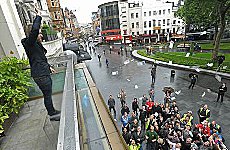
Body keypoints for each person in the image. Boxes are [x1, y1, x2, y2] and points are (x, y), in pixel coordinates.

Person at [21, 9, 60, 121]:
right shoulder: (30, 43)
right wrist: (38, 17)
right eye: (39, 33)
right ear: (32, 34)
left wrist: (49, 67)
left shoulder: (34, 45)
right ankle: (52, 114)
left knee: (47, 95)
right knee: (47, 95)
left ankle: (52, 111)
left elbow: (40, 59)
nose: (41, 35)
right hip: (41, 74)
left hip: (41, 73)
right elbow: (34, 30)